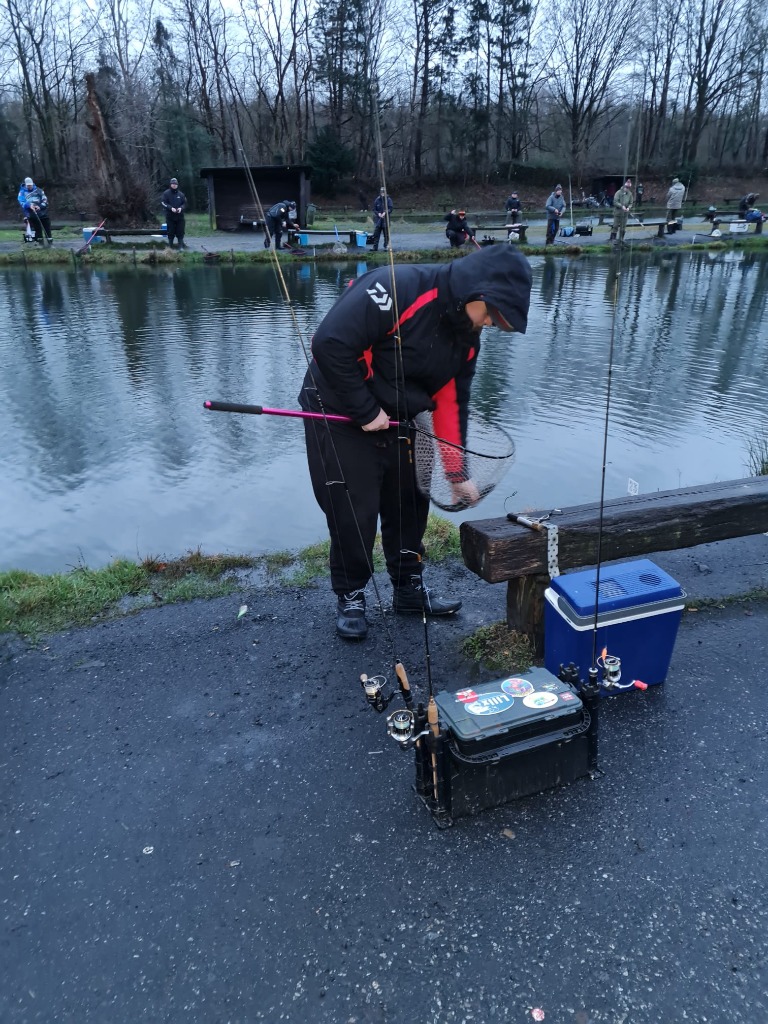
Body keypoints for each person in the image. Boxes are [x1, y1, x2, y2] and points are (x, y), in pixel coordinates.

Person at [298, 245, 532, 640]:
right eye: (492, 314)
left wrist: (456, 473)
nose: (491, 324)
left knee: (409, 500)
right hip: (339, 406)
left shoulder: (467, 339)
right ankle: (351, 594)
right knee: (354, 508)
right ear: (478, 292)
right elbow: (329, 344)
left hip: (401, 414)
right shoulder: (397, 288)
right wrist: (365, 410)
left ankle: (407, 587)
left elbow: (451, 403)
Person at [17, 177, 52, 246]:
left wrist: (40, 206)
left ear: (33, 184)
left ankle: (50, 243)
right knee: (37, 229)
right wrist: (29, 206)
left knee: (47, 228)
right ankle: (40, 244)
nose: (29, 186)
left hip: (42, 212)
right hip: (31, 213)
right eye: (28, 185)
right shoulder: (22, 193)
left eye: (31, 185)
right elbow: (22, 202)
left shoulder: (39, 190)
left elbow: (45, 200)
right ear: (25, 185)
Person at [161, 178, 188, 248]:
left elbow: (185, 203)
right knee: (170, 231)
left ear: (177, 185)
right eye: (173, 184)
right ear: (170, 185)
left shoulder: (181, 194)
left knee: (180, 231)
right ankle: (170, 246)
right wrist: (171, 208)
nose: (174, 185)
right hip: (170, 216)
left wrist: (181, 208)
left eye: (175, 184)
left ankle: (180, 246)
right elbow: (163, 202)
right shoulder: (166, 193)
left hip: (180, 216)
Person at [611, 178, 634, 243]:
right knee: (615, 226)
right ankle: (613, 239)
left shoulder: (630, 194)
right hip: (617, 213)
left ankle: (621, 239)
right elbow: (615, 202)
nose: (627, 189)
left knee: (623, 227)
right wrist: (621, 206)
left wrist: (628, 207)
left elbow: (631, 203)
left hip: (625, 214)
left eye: (628, 188)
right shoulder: (618, 193)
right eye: (626, 187)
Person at [371, 186, 393, 251]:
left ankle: (386, 247)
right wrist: (378, 214)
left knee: (386, 235)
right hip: (378, 221)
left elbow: (391, 208)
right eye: (381, 192)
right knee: (376, 234)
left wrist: (385, 212)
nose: (382, 193)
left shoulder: (388, 200)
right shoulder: (377, 200)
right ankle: (375, 247)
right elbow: (374, 209)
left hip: (386, 221)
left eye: (383, 192)